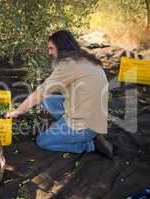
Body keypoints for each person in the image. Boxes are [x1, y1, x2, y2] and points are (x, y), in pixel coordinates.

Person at [7, 30, 113, 158]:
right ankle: (82, 130)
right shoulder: (83, 58)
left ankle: (90, 144)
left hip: (86, 125)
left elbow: (40, 93)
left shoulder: (69, 65)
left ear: (61, 46)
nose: (49, 52)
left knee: (43, 141)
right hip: (96, 116)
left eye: (51, 48)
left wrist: (17, 111)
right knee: (48, 100)